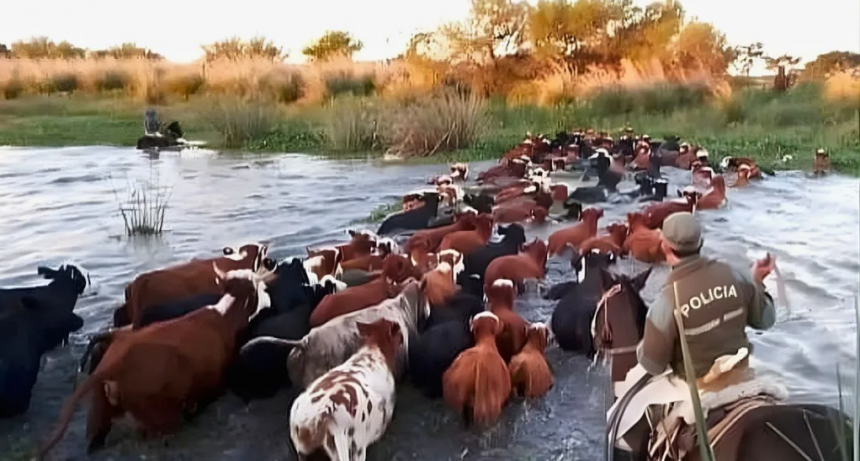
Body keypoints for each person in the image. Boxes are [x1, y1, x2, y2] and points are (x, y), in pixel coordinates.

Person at [638, 212, 776, 380]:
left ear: (664, 246)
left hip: (700, 386)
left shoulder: (665, 302)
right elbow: (767, 320)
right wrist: (757, 281)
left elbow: (653, 365)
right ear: (701, 242)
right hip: (740, 371)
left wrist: (643, 346)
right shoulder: (734, 274)